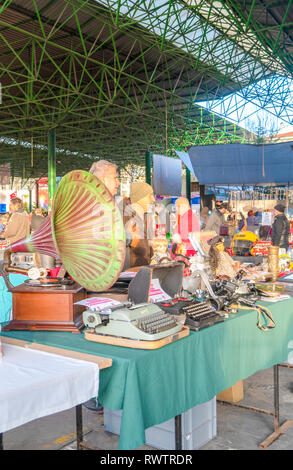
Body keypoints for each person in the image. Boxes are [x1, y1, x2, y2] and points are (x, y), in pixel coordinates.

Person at [124, 182, 155, 267]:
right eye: (150, 196)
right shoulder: (125, 216)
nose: (153, 199)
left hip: (145, 267)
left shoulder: (146, 215)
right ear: (139, 198)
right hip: (130, 271)